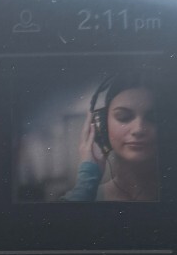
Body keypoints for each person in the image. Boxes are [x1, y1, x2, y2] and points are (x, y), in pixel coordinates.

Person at [61, 73, 161, 202]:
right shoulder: (88, 195)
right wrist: (86, 184)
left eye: (152, 118)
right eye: (123, 117)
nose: (138, 129)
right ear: (102, 126)